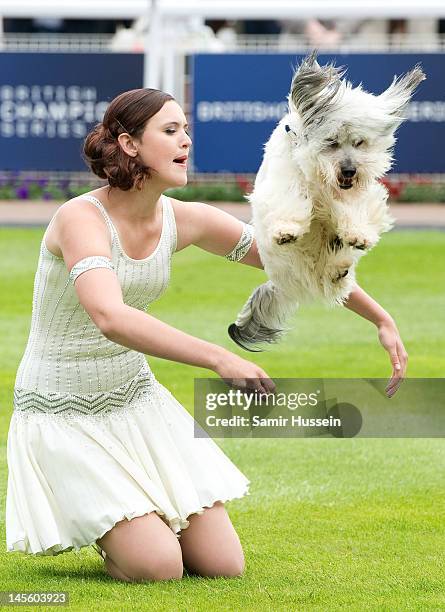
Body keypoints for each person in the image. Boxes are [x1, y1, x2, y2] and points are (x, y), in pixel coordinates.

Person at [5, 88, 407, 583]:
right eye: (170, 131)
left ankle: (138, 514)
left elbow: (298, 263)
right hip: (62, 410)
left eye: (186, 130)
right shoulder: (79, 218)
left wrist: (382, 320)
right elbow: (109, 315)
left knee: (223, 565)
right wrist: (220, 358)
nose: (185, 142)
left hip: (134, 402)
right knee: (158, 567)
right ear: (129, 145)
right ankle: (119, 524)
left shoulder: (184, 218)